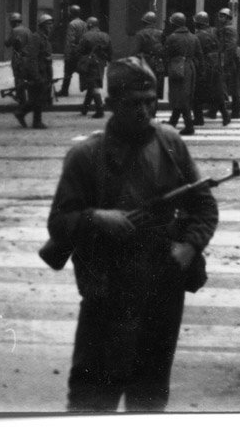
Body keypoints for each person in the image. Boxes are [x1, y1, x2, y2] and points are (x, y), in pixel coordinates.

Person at [46, 56, 218, 412]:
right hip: (108, 291)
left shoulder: (170, 144)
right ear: (110, 105)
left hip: (162, 289)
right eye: (132, 104)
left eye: (150, 101)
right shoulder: (85, 155)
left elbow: (204, 206)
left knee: (150, 396)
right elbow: (59, 222)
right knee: (92, 400)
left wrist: (188, 246)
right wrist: (97, 218)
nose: (144, 111)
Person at [162, 13, 200, 135]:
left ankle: (189, 126)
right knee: (184, 96)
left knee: (179, 96)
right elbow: (200, 55)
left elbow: (165, 54)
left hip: (177, 68)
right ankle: (173, 121)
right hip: (190, 68)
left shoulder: (172, 38)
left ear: (174, 24)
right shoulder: (194, 37)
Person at [14, 14, 54, 129]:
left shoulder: (44, 38)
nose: (50, 26)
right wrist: (35, 75)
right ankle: (31, 118)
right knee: (37, 98)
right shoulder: (36, 37)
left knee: (39, 98)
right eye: (48, 24)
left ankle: (25, 115)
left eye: (51, 24)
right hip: (37, 72)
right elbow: (32, 58)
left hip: (43, 71)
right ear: (41, 25)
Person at [191, 12, 229, 127]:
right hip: (216, 64)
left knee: (196, 93)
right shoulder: (215, 31)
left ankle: (198, 119)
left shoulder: (197, 36)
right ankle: (225, 115)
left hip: (204, 65)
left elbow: (196, 53)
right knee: (217, 91)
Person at [76, 17, 112, 118]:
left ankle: (100, 110)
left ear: (90, 25)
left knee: (93, 86)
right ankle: (85, 108)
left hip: (90, 63)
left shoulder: (86, 36)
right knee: (93, 84)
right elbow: (110, 52)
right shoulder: (106, 36)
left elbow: (80, 51)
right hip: (101, 63)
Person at [214, 8, 240, 120]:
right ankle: (234, 111)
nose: (219, 18)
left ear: (227, 18)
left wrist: (224, 62)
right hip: (232, 61)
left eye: (222, 16)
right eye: (219, 15)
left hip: (230, 62)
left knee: (227, 86)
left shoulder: (228, 29)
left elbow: (230, 46)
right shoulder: (228, 28)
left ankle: (235, 112)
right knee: (232, 86)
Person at [131, 11, 166, 99]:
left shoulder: (140, 34)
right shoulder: (161, 33)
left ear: (144, 22)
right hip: (158, 63)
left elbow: (134, 52)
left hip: (145, 63)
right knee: (156, 87)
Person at [5, 12, 33, 109]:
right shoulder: (27, 30)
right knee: (28, 78)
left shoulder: (15, 30)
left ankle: (22, 100)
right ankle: (29, 99)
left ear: (13, 22)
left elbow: (8, 43)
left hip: (19, 57)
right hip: (29, 57)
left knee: (18, 78)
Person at [58, 5, 87, 97]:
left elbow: (70, 41)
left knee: (67, 72)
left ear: (71, 13)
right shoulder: (84, 23)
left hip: (73, 52)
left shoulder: (72, 24)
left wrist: (67, 53)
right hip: (81, 51)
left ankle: (64, 90)